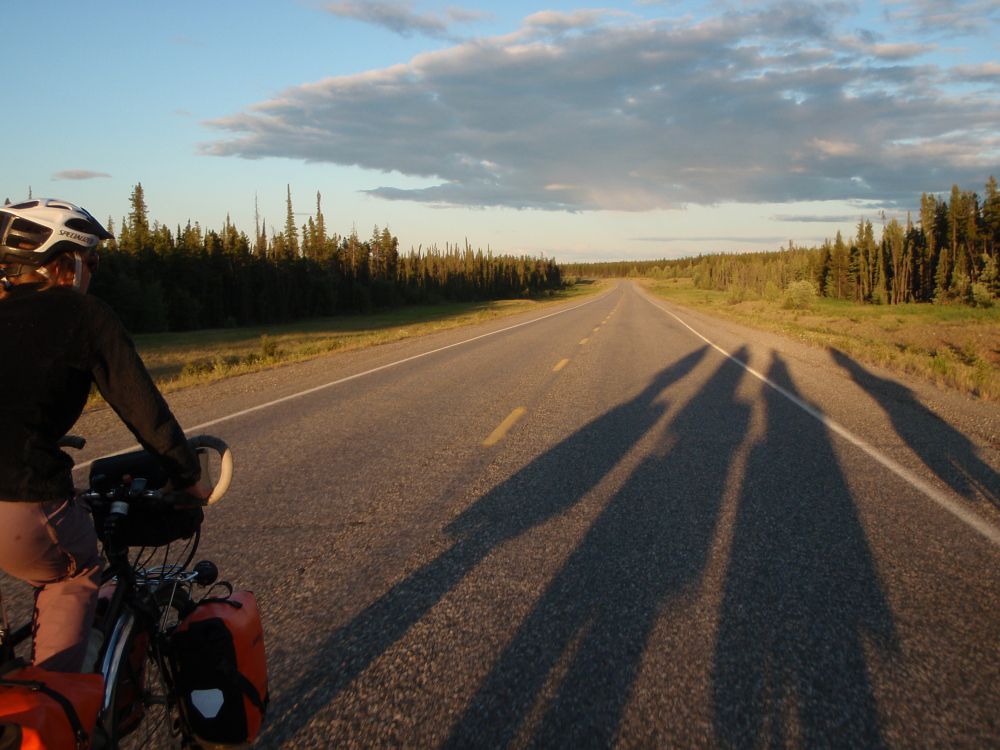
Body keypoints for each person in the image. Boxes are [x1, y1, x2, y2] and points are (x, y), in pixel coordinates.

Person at [0, 198, 209, 673]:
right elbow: (143, 407)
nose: (92, 272)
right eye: (90, 261)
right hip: (19, 498)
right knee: (74, 573)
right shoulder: (83, 314)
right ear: (65, 263)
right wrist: (186, 474)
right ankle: (59, 713)